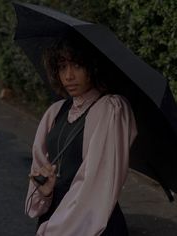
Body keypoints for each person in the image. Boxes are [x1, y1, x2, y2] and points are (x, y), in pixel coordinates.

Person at [25, 36, 137, 236]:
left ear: (93, 68)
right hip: (53, 217)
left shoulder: (110, 109)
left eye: (76, 65)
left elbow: (96, 183)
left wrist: (55, 229)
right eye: (61, 67)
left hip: (88, 222)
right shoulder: (56, 111)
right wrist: (45, 191)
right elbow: (39, 164)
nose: (68, 76)